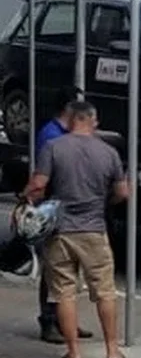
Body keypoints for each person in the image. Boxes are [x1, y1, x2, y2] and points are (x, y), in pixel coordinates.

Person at [21, 101, 129, 358]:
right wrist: (104, 202)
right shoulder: (108, 152)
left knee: (64, 293)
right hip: (94, 230)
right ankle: (113, 351)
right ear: (92, 121)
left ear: (71, 120)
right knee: (105, 292)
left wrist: (29, 202)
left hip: (60, 232)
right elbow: (123, 193)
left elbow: (38, 186)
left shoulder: (54, 148)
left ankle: (74, 354)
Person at [33, 85, 93, 344]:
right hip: (54, 208)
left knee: (69, 270)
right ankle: (49, 321)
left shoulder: (65, 133)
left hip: (72, 209)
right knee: (52, 269)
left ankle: (65, 320)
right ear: (68, 109)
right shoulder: (51, 135)